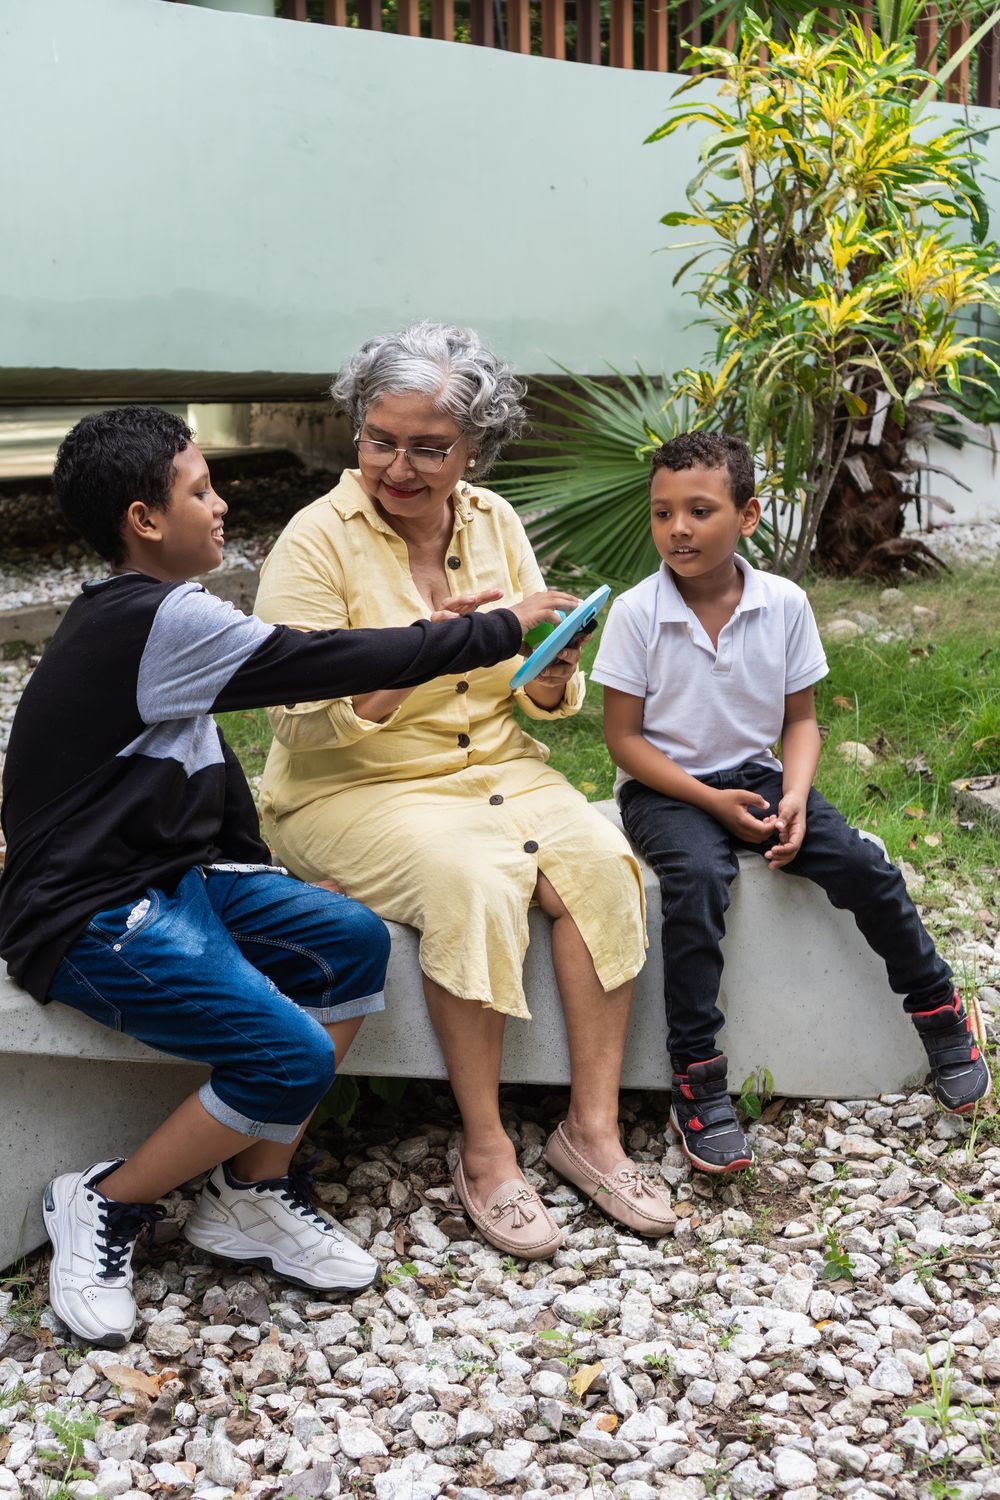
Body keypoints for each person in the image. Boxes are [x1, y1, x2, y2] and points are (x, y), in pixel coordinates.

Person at [0, 405, 575, 1347]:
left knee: (346, 938)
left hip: (169, 879)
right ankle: (103, 1202)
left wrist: (272, 888)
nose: (221, 504)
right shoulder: (160, 619)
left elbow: (211, 782)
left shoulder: (152, 621)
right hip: (85, 915)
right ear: (145, 520)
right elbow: (322, 663)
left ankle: (249, 1192)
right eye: (199, 489)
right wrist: (493, 633)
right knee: (290, 1056)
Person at [254, 322, 674, 1259]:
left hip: (494, 763)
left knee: (605, 866)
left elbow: (522, 686)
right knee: (473, 882)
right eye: (379, 439)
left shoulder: (493, 521)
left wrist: (554, 672)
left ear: (474, 447)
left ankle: (590, 1132)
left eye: (428, 448)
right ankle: (485, 1149)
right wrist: (441, 643)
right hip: (349, 788)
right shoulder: (314, 541)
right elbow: (292, 716)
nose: (397, 466)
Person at [592, 431, 990, 1175]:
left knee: (860, 864)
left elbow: (800, 720)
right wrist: (710, 803)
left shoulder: (784, 603)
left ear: (747, 517)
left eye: (700, 510)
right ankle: (697, 1077)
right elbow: (624, 742)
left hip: (761, 773)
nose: (678, 528)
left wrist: (798, 797)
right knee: (701, 883)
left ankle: (938, 1011)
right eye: (662, 512)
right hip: (667, 787)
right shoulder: (638, 614)